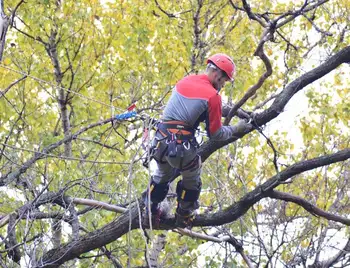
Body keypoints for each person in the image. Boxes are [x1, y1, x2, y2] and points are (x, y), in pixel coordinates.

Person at [145, 53, 251, 228]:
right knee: (192, 179)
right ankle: (184, 214)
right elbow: (216, 134)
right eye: (224, 80)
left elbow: (199, 106)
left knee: (162, 175)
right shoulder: (212, 96)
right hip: (181, 147)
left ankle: (150, 207)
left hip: (160, 141)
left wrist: (236, 111)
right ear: (217, 75)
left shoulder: (185, 81)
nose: (223, 85)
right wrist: (237, 129)